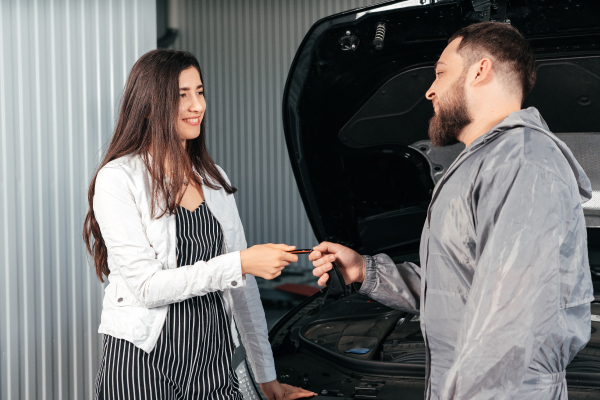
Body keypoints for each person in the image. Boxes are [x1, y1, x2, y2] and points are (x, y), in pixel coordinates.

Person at [310, 22, 594, 399]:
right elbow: (459, 287)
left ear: (480, 70)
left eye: (440, 73)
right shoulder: (488, 161)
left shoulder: (522, 162)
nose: (429, 90)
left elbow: (510, 323)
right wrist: (366, 270)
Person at [83, 49, 315, 400]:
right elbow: (146, 287)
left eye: (200, 91)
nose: (197, 106)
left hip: (214, 365)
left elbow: (244, 292)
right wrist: (240, 262)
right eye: (182, 95)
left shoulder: (213, 179)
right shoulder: (118, 179)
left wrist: (267, 379)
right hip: (144, 363)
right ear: (151, 103)